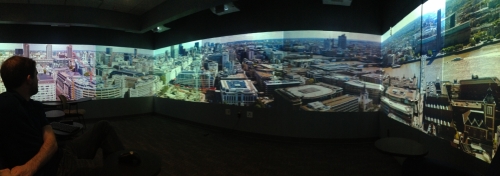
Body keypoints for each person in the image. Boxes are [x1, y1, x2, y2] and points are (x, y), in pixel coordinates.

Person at [0, 56, 124, 176]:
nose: (38, 79)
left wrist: (29, 166)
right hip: (57, 169)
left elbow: (51, 142)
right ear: (29, 79)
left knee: (103, 127)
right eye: (36, 75)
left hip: (60, 151)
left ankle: (123, 167)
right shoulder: (7, 103)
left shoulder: (35, 106)